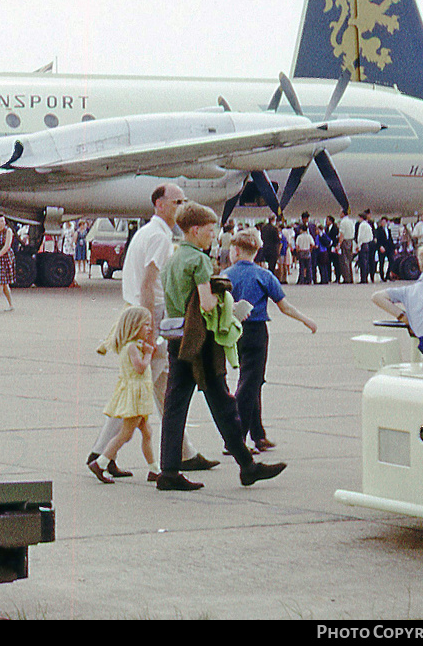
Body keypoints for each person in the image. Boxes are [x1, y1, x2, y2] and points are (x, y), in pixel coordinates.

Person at [156, 202, 286, 491]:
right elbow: (206, 302)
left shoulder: (173, 259)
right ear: (196, 229)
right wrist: (231, 308)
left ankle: (169, 470)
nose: (214, 234)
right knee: (221, 400)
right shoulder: (199, 261)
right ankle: (246, 465)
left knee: (177, 403)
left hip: (176, 338)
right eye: (211, 229)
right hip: (199, 341)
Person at [87, 184, 214, 474]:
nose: (181, 206)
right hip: (149, 317)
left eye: (184, 201)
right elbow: (148, 283)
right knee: (138, 389)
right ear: (159, 205)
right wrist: (151, 331)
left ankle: (185, 452)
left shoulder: (148, 232)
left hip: (139, 315)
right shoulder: (159, 237)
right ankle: (99, 453)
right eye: (176, 201)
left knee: (164, 388)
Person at [225, 226, 317, 453]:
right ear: (256, 251)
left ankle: (258, 434)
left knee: (254, 381)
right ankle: (236, 439)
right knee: (249, 384)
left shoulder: (226, 276)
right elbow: (284, 306)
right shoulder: (263, 275)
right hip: (257, 332)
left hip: (235, 332)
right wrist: (306, 320)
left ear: (235, 250)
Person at [91, 305, 158, 483]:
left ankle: (154, 469)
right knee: (125, 434)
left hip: (139, 395)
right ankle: (101, 463)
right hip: (135, 396)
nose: (149, 329)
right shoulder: (131, 348)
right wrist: (148, 355)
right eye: (146, 325)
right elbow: (140, 367)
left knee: (147, 432)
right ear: (134, 326)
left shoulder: (134, 346)